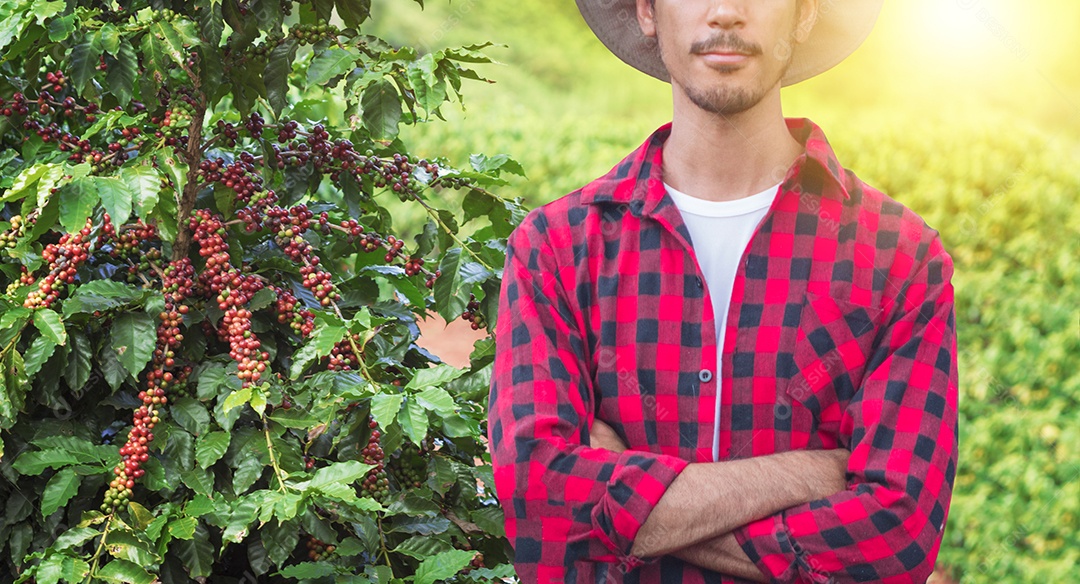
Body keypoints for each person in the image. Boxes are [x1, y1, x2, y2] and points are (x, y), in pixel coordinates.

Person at [486, 0, 959, 582]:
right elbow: (540, 500)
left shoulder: (900, 258)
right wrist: (804, 476)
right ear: (647, 12)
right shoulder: (556, 249)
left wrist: (618, 506)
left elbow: (895, 540)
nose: (726, 12)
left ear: (804, 15)